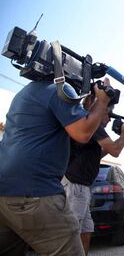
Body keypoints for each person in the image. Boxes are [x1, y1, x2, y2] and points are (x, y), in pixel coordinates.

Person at [0, 79, 111, 256]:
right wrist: (103, 101)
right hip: (34, 191)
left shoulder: (24, 93)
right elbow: (83, 132)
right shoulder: (60, 89)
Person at [62, 92, 124, 255]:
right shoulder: (92, 123)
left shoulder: (90, 126)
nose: (109, 119)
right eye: (108, 114)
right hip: (75, 186)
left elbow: (100, 154)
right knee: (71, 233)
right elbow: (115, 151)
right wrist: (122, 136)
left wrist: (122, 139)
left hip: (82, 187)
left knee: (86, 230)